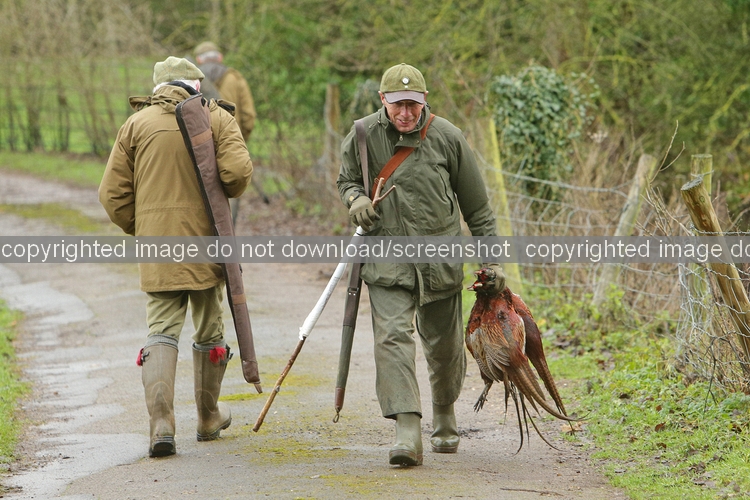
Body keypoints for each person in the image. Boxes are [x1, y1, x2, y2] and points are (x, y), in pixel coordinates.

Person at [337, 63, 505, 467]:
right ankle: (407, 429)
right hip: (386, 260)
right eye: (397, 104)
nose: (405, 113)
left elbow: (478, 210)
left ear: (425, 100)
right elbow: (347, 181)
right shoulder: (362, 136)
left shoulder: (448, 137)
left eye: (413, 104)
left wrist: (491, 261)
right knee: (392, 339)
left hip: (440, 262)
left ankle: (444, 415)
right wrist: (356, 200)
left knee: (444, 347)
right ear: (382, 100)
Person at [98, 56, 253, 458]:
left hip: (158, 246)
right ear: (195, 86)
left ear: (158, 88)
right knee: (209, 328)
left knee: (162, 331)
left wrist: (145, 227)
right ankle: (208, 417)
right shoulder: (216, 119)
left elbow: (111, 195)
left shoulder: (135, 125)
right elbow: (236, 175)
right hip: (207, 244)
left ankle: (161, 426)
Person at [194, 41, 257, 226]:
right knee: (231, 189)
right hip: (230, 144)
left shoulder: (193, 80)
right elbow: (249, 116)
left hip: (199, 145)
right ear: (220, 57)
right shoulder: (235, 79)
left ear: (198, 60)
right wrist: (239, 140)